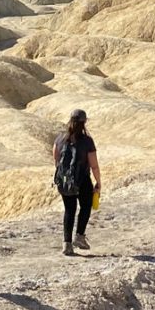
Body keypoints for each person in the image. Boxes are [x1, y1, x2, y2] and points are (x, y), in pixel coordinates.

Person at [54, 108, 101, 255]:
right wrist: (98, 183)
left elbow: (56, 159)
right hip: (82, 180)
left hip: (64, 179)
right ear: (84, 122)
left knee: (69, 210)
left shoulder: (60, 138)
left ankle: (67, 244)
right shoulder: (87, 141)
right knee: (85, 206)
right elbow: (93, 165)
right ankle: (80, 236)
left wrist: (64, 175)